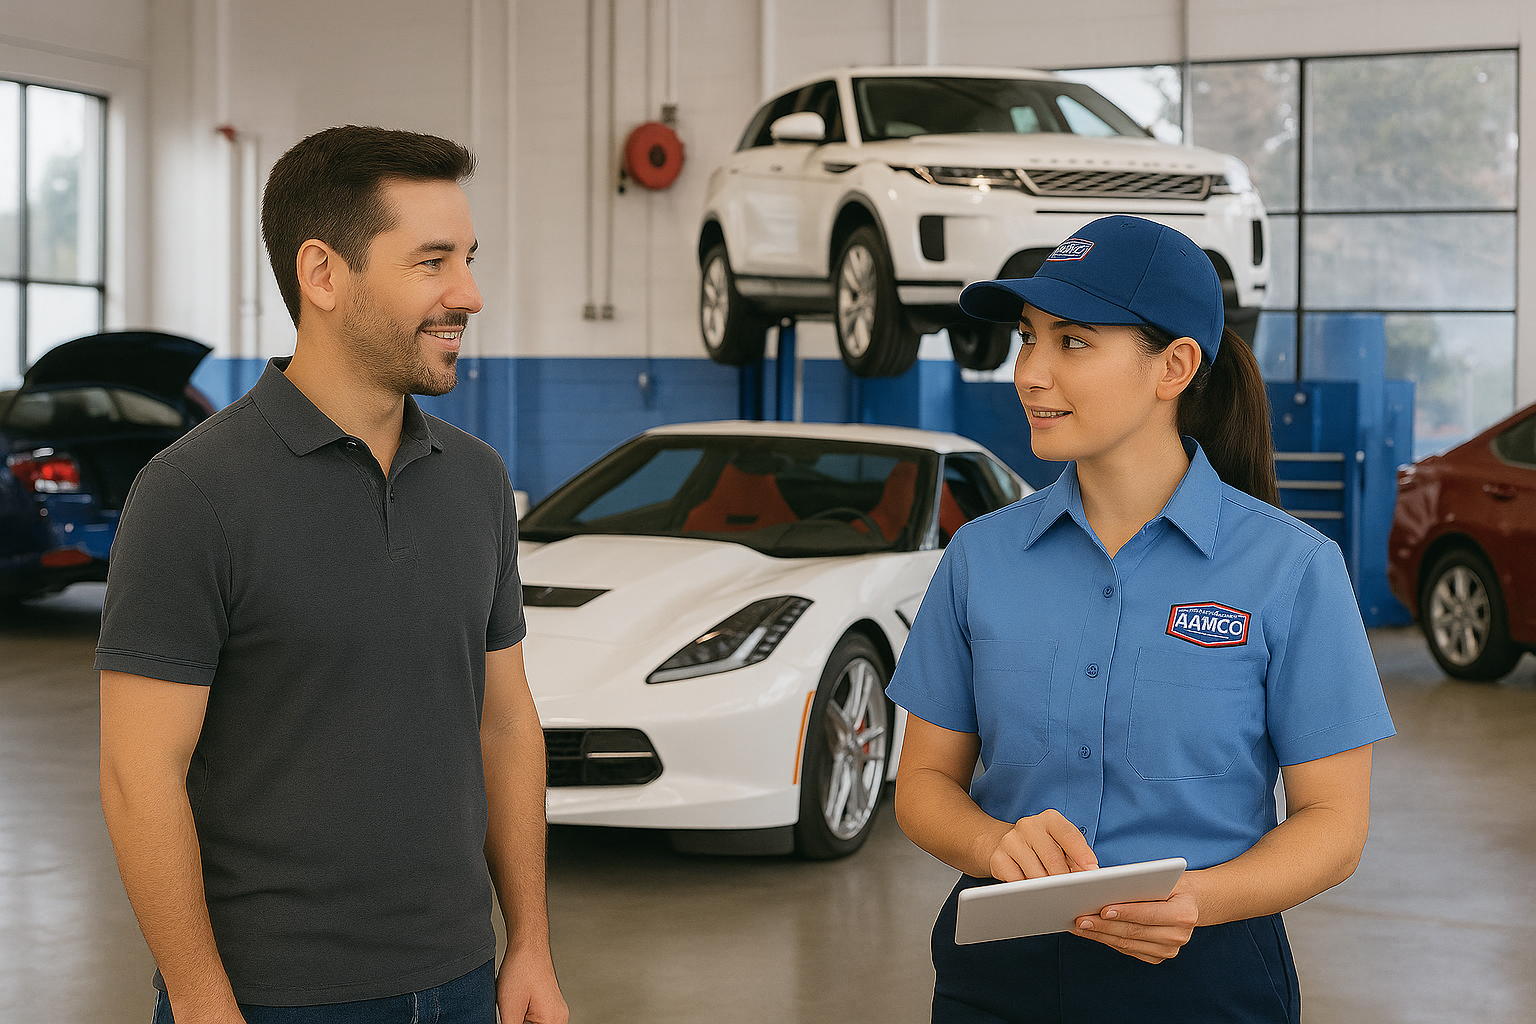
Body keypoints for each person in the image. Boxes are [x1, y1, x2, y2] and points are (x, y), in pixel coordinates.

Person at [97, 126, 567, 1024]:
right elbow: (137, 772)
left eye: (467, 258)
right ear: (323, 275)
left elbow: (505, 725)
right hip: (274, 1000)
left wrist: (531, 944)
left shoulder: (476, 482)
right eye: (432, 262)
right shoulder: (192, 493)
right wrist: (200, 1001)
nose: (468, 293)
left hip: (465, 978)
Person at [887, 215, 1395, 1023]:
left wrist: (1198, 898)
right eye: (1027, 338)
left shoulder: (1291, 569)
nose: (1030, 373)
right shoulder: (979, 559)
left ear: (1176, 366)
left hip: (1204, 970)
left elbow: (1334, 823)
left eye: (1072, 342)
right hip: (1000, 971)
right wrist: (992, 846)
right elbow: (922, 783)